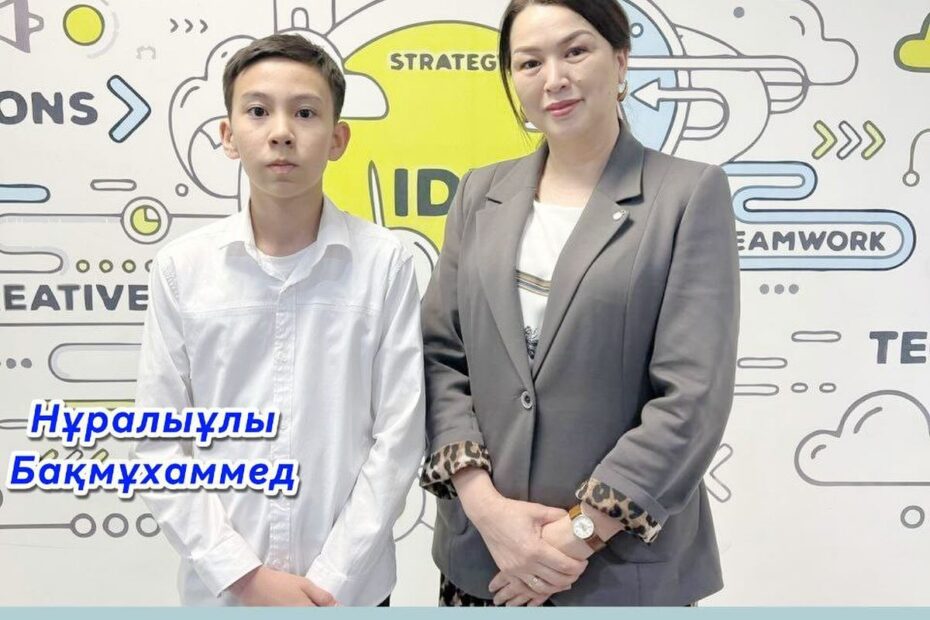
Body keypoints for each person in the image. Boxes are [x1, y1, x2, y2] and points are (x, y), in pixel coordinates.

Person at [419, 0, 739, 606]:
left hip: (623, 574)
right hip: (483, 561)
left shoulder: (688, 194)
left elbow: (691, 397)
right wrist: (487, 511)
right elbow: (440, 358)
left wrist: (577, 536)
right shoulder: (478, 193)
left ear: (620, 60)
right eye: (529, 62)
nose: (554, 78)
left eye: (575, 51)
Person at [131, 34, 425, 607]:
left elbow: (399, 436)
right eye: (258, 111)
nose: (282, 131)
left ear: (338, 139)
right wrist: (245, 576)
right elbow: (158, 445)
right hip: (225, 593)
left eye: (306, 113)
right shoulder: (182, 269)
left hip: (351, 593)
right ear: (228, 135)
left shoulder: (384, 263)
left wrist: (330, 580)